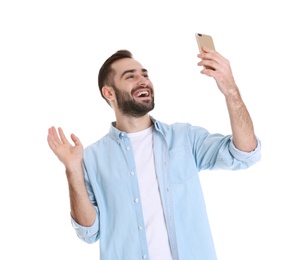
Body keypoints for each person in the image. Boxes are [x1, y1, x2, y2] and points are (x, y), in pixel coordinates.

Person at [47, 47, 261, 260]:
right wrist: (73, 169)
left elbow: (244, 153)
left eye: (145, 75)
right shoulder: (92, 158)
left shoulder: (184, 138)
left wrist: (230, 89)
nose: (143, 80)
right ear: (109, 92)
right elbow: (88, 232)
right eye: (130, 76)